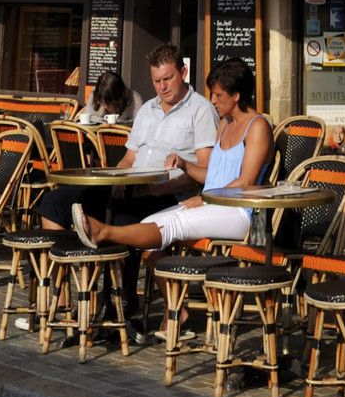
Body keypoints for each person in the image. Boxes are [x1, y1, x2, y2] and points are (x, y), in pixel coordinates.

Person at [72, 60, 271, 253]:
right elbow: (212, 176)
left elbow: (246, 181)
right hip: (211, 204)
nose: (213, 100)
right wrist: (184, 165)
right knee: (149, 227)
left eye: (218, 95)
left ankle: (102, 232)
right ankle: (167, 288)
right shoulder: (224, 124)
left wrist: (206, 199)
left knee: (172, 224)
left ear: (236, 95)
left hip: (239, 211)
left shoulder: (257, 126)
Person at [37, 43, 216, 239]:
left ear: (183, 72)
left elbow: (205, 172)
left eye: (167, 78)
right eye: (156, 81)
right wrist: (118, 183)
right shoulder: (147, 109)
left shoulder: (201, 110)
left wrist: (157, 189)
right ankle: (66, 266)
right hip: (132, 188)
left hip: (167, 196)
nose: (162, 87)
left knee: (121, 219)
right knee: (54, 201)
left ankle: (114, 267)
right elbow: (129, 159)